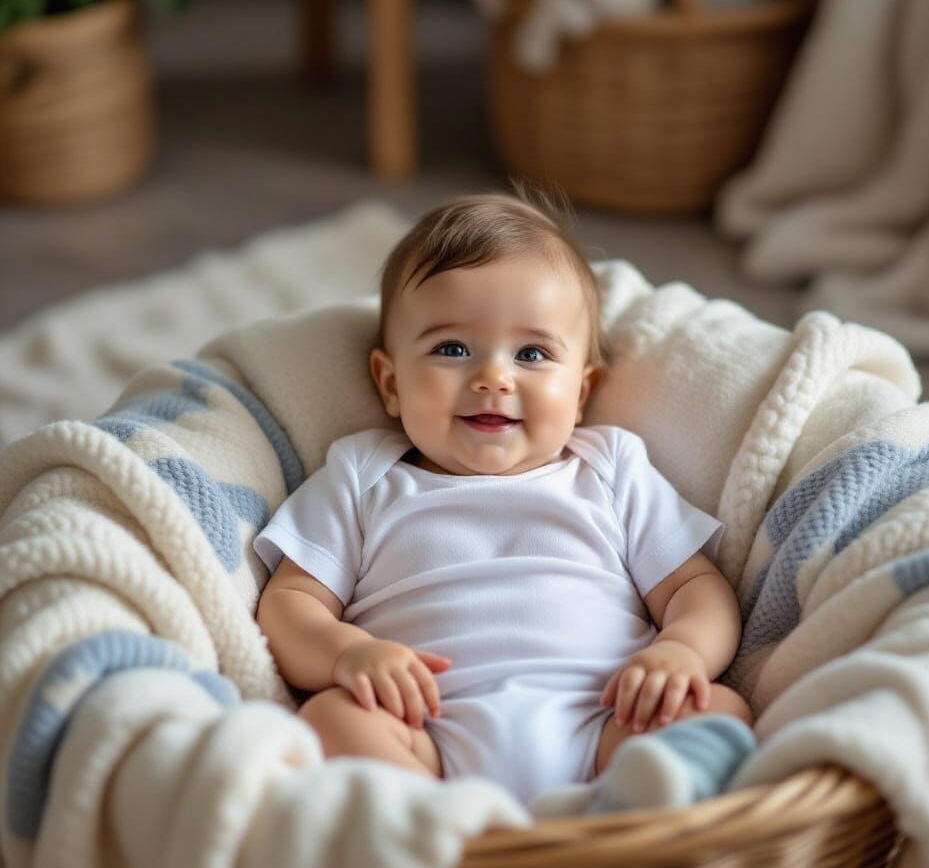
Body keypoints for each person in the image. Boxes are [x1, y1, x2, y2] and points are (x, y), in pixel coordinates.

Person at [253, 190, 756, 812]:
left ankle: (625, 818)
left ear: (580, 392)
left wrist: (681, 650)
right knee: (333, 720)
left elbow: (693, 587)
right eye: (452, 349)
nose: (494, 377)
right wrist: (348, 654)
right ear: (390, 382)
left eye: (533, 354)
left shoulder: (609, 467)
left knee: (715, 710)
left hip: (604, 724)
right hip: (426, 736)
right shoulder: (363, 474)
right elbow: (290, 603)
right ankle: (438, 842)